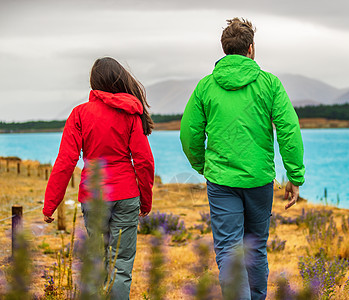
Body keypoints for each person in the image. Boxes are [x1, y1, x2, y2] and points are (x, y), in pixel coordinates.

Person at [180, 18, 305, 299]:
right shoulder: (270, 84)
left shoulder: (205, 87)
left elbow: (189, 134)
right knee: (255, 247)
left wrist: (202, 165)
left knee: (228, 250)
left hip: (221, 181)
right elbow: (289, 131)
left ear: (225, 49)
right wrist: (294, 176)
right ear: (251, 48)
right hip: (259, 180)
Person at [42, 57, 155, 300]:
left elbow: (65, 162)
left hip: (93, 198)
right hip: (126, 196)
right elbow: (144, 161)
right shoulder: (130, 113)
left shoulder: (80, 114)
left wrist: (50, 204)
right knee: (122, 264)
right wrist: (146, 200)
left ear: (94, 83)